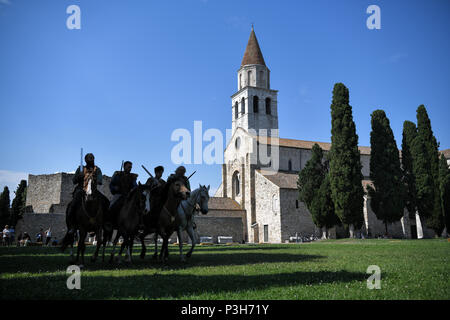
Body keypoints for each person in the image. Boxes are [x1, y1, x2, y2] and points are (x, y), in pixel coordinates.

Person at [66, 153, 109, 235]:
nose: (91, 159)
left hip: (93, 190)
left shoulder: (97, 169)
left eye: (92, 158)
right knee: (72, 204)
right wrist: (79, 176)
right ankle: (72, 226)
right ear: (85, 160)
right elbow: (74, 180)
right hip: (81, 190)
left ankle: (105, 223)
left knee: (106, 201)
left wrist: (96, 178)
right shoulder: (80, 168)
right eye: (89, 158)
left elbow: (100, 181)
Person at [106, 161, 138, 231]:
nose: (130, 168)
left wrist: (133, 189)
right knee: (111, 206)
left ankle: (138, 226)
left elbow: (135, 185)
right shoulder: (117, 174)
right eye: (129, 167)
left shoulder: (132, 177)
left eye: (131, 167)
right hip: (119, 194)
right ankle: (109, 222)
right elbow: (111, 184)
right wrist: (115, 188)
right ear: (124, 167)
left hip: (128, 195)